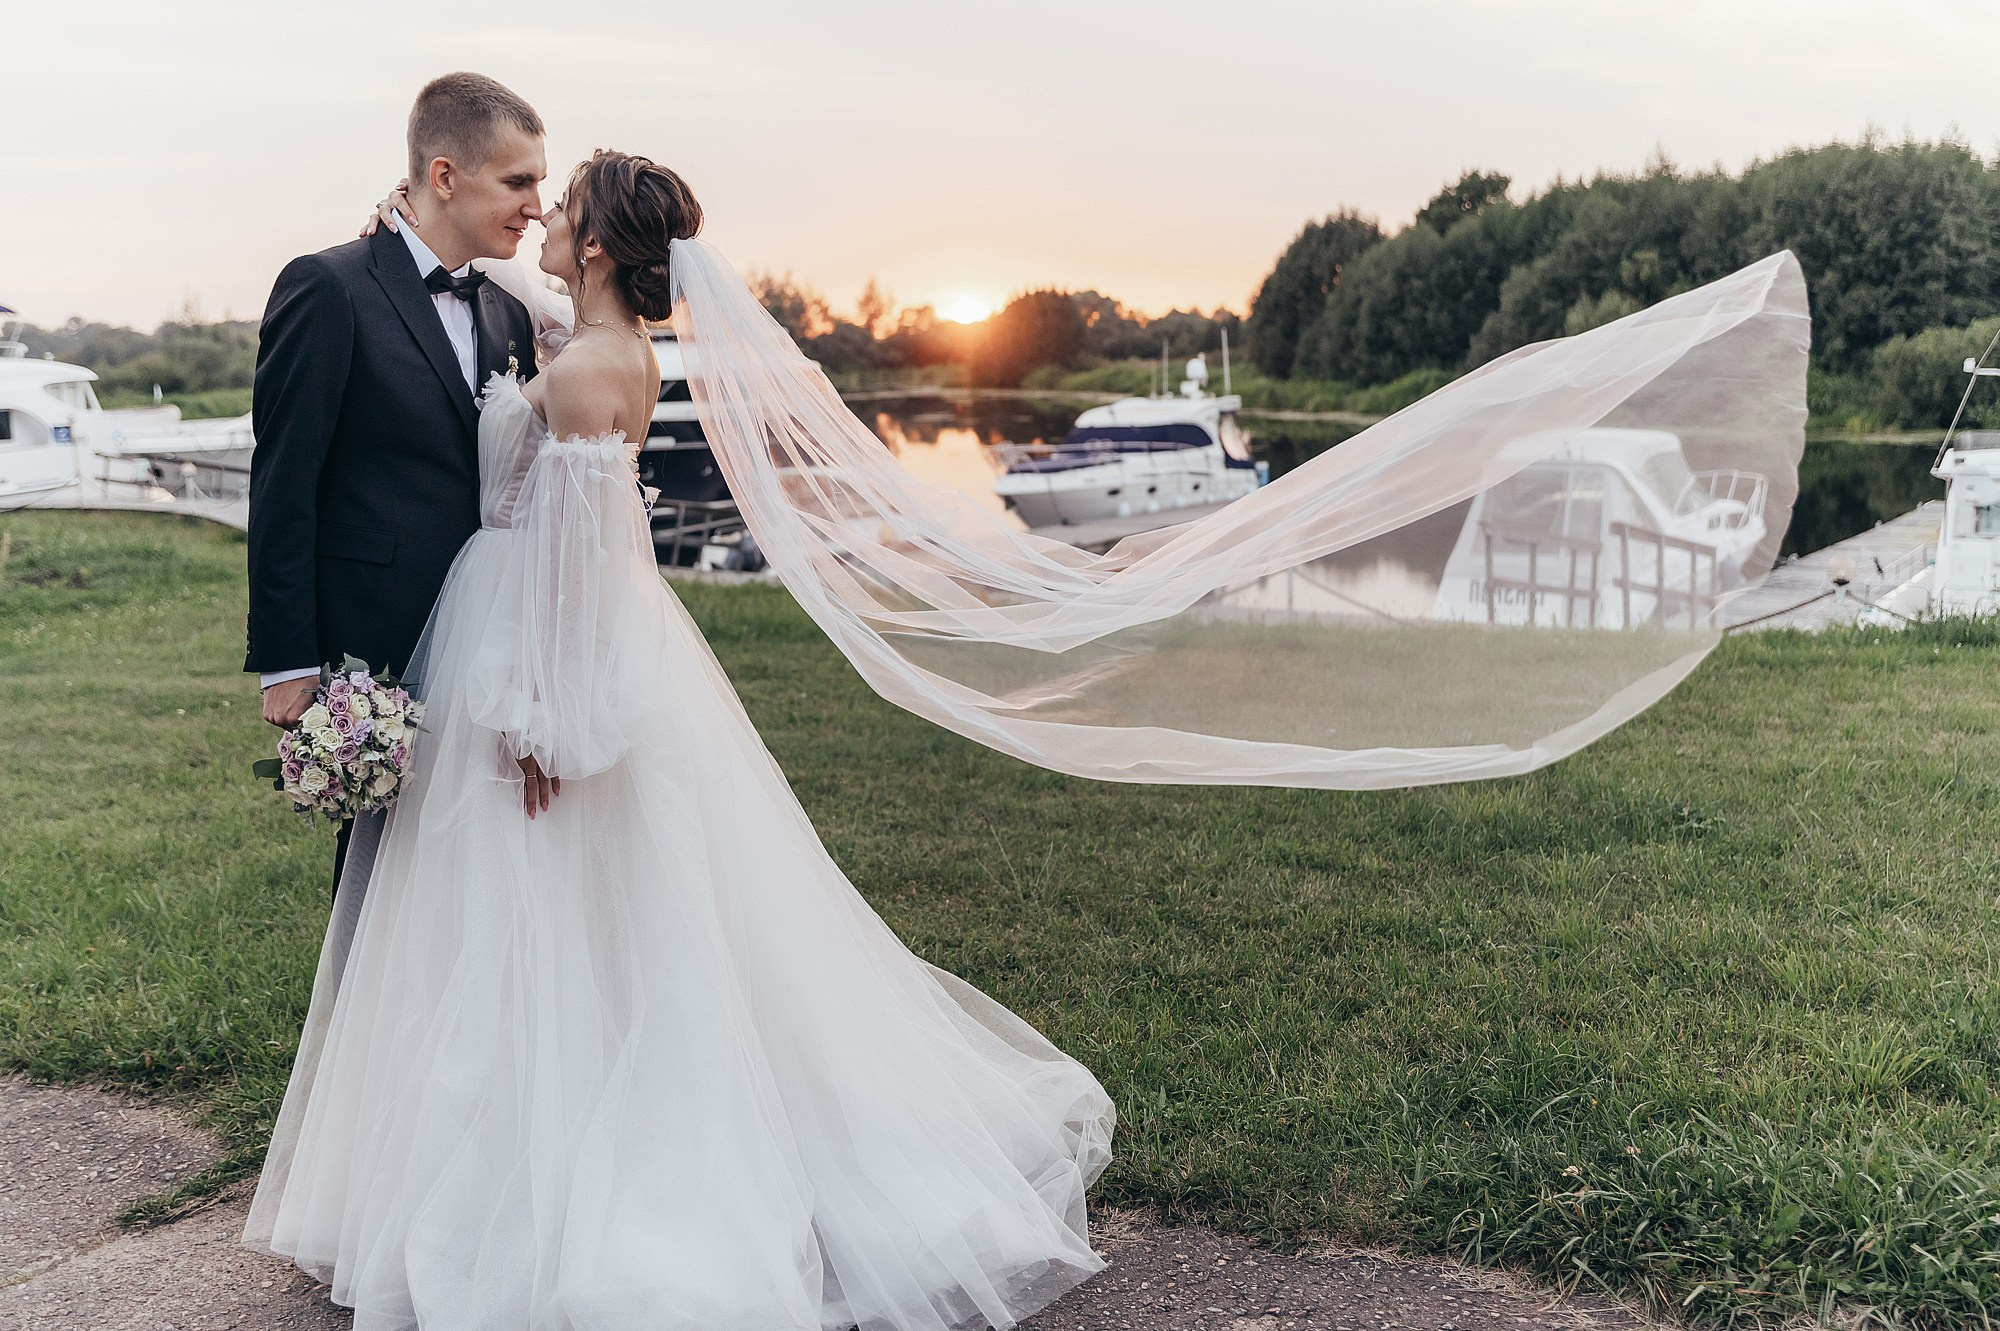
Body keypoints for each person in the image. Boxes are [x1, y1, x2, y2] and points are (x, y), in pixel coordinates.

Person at [240, 148, 1116, 1331]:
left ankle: (550, 1194)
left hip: (533, 657)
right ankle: (481, 1168)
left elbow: (585, 563)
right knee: (556, 927)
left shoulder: (588, 366)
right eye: (523, 190)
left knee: (540, 928)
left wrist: (544, 715)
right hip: (515, 634)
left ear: (600, 243)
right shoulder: (591, 340)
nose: (541, 214)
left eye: (560, 202)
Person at [245, 72, 548, 894]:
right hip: (375, 640)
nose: (536, 207)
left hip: (487, 638)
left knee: (485, 866)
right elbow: (283, 481)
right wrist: (287, 659)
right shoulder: (329, 287)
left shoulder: (509, 312)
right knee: (382, 884)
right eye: (517, 182)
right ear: (445, 175)